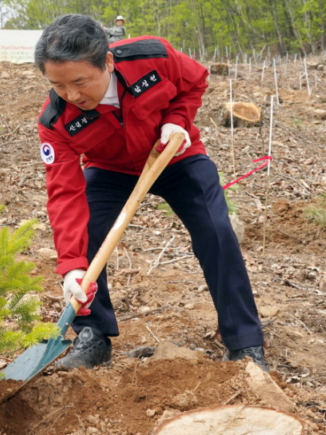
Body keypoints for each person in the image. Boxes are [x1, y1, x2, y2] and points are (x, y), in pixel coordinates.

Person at [35, 14, 268, 373]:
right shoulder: (55, 120)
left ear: (108, 61)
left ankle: (245, 342)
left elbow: (195, 81)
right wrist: (71, 267)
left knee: (216, 230)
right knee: (88, 234)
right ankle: (92, 335)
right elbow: (64, 193)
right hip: (110, 169)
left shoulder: (152, 56)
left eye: (80, 82)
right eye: (58, 85)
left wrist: (178, 118)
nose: (72, 95)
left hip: (175, 153)